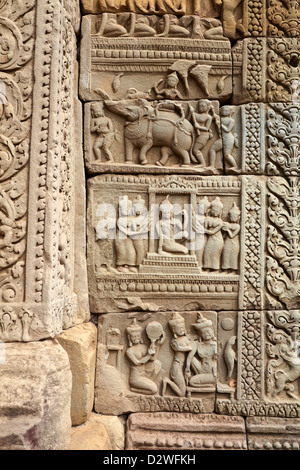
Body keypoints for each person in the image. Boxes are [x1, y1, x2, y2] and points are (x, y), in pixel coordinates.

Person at [126, 319, 162, 395]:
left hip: (144, 375)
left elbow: (153, 359)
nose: (136, 338)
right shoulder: (129, 351)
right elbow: (137, 362)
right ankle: (133, 389)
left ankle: (141, 387)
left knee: (157, 363)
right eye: (133, 336)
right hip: (135, 378)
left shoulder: (144, 347)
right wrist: (148, 355)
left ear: (140, 336)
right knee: (154, 390)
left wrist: (158, 345)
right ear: (129, 338)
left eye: (138, 336)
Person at [162, 313, 193, 397]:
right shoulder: (174, 341)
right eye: (179, 328)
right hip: (176, 367)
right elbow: (181, 348)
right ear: (174, 330)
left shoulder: (185, 338)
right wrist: (188, 347)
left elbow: (189, 344)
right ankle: (167, 381)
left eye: (183, 327)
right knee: (182, 393)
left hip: (182, 367)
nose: (182, 329)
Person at [185, 313, 217, 387]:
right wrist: (187, 369)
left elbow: (216, 361)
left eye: (208, 331)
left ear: (212, 332)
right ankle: (205, 383)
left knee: (192, 381)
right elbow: (190, 357)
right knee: (192, 359)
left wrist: (215, 370)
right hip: (200, 370)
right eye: (203, 333)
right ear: (200, 335)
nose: (206, 334)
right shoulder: (197, 344)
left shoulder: (214, 345)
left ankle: (206, 384)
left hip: (211, 373)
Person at [203, 197, 224, 272]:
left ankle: (215, 270)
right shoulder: (208, 218)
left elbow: (211, 232)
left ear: (220, 212)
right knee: (207, 253)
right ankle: (207, 269)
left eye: (217, 210)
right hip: (210, 239)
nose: (215, 211)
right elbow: (205, 226)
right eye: (214, 209)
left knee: (215, 255)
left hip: (217, 240)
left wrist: (203, 230)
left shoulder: (220, 221)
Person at [222, 202, 241, 272]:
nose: (232, 218)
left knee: (233, 256)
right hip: (227, 242)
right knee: (226, 254)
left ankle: (233, 271)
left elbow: (232, 236)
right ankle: (225, 270)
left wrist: (227, 230)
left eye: (234, 217)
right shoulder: (228, 224)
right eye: (231, 217)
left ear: (238, 218)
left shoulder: (237, 226)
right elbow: (224, 236)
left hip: (234, 243)